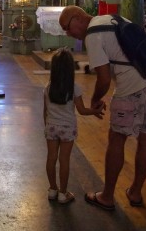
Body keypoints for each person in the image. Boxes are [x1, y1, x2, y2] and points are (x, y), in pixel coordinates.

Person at [59, 6, 146, 210]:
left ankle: (107, 196)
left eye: (67, 28)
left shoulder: (93, 34)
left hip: (132, 88)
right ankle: (135, 193)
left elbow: (104, 78)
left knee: (117, 139)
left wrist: (95, 99)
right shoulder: (112, 19)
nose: (68, 33)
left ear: (77, 18)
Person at [44, 48, 104, 204]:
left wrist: (48, 126)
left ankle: (52, 190)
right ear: (71, 68)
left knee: (51, 158)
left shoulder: (48, 88)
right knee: (64, 160)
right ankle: (63, 193)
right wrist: (94, 111)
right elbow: (82, 111)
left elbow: (45, 111)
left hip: (51, 126)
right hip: (67, 128)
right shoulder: (74, 87)